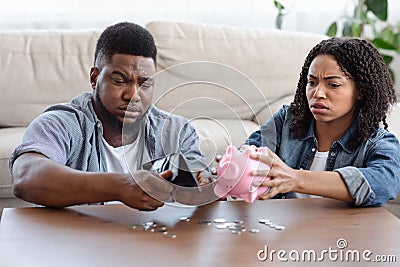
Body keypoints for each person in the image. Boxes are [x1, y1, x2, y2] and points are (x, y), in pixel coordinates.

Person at [9, 22, 211, 211]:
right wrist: (122, 186)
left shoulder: (178, 131)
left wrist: (205, 185)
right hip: (78, 242)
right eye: (120, 80)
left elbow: (203, 184)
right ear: (95, 78)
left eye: (145, 84)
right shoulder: (61, 123)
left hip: (154, 243)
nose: (132, 95)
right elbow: (26, 177)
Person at [245, 37, 400, 207]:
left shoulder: (378, 143)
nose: (318, 93)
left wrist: (296, 178)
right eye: (312, 82)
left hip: (342, 232)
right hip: (280, 229)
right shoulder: (287, 120)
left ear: (361, 91)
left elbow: (384, 183)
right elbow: (249, 155)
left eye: (333, 85)